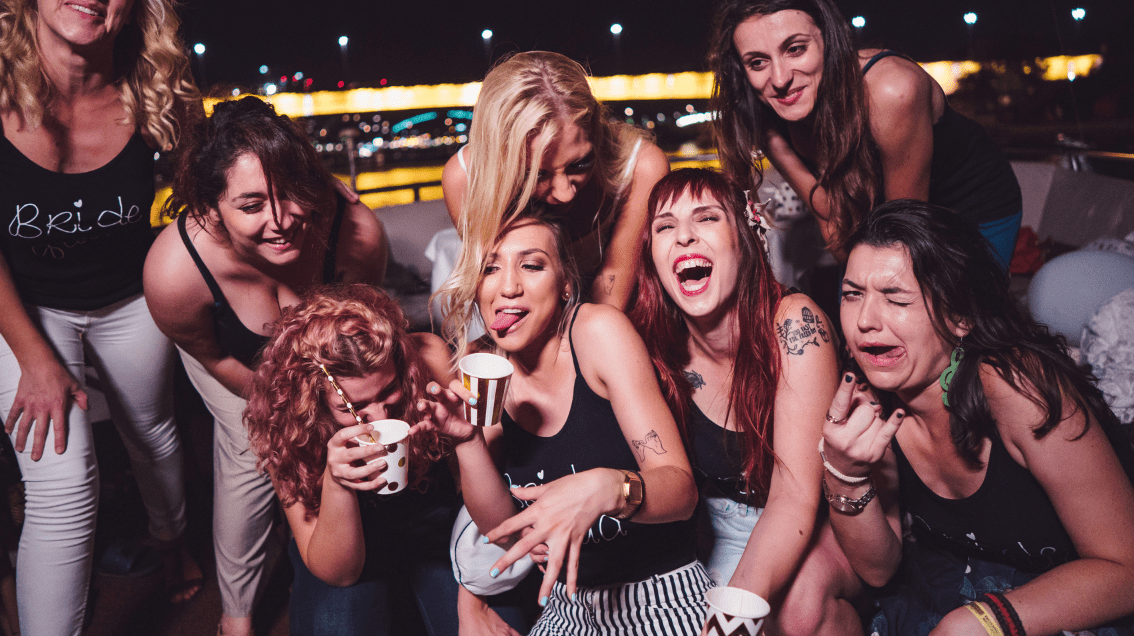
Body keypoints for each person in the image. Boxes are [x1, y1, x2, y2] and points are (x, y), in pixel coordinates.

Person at [0, 0, 202, 634]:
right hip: (12, 300)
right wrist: (36, 356)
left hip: (125, 297)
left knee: (155, 438)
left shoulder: (157, 93)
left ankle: (172, 544)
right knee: (63, 484)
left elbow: (202, 209)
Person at [822, 200, 1134, 636]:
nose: (864, 322)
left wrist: (981, 623)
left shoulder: (1018, 386)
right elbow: (878, 570)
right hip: (957, 585)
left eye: (895, 298)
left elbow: (1125, 569)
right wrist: (843, 473)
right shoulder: (869, 398)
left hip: (1078, 592)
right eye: (853, 295)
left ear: (960, 315)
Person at [143, 96, 387, 636]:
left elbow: (364, 348)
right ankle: (237, 616)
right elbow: (211, 355)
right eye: (251, 205)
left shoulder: (356, 234)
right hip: (234, 361)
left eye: (291, 196)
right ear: (210, 207)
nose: (279, 223)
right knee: (249, 454)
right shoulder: (174, 273)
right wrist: (285, 413)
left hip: (324, 364)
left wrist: (332, 409)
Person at [428, 209, 708, 635]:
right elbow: (504, 532)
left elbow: (682, 492)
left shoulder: (598, 334)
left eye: (532, 265)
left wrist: (607, 487)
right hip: (566, 605)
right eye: (490, 269)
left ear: (565, 287)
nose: (508, 287)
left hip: (661, 591)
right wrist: (467, 442)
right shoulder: (482, 368)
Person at [630, 168, 860, 634]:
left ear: (745, 238)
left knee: (794, 612)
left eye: (707, 218)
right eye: (665, 226)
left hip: (819, 519)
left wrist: (724, 622)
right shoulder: (651, 343)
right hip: (714, 524)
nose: (685, 238)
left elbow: (795, 498)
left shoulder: (795, 326)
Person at [710, 0, 1022, 267]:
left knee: (953, 314)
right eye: (757, 62)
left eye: (796, 49)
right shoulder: (769, 111)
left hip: (972, 209)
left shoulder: (892, 91)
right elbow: (829, 216)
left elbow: (907, 233)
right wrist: (852, 288)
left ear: (829, 40)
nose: (779, 79)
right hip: (876, 213)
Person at [245, 284, 460, 636]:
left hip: (433, 524)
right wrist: (337, 484)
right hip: (339, 541)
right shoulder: (286, 426)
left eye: (389, 389)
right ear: (311, 399)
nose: (378, 415)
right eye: (353, 407)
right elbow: (340, 573)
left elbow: (474, 478)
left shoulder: (430, 359)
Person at [440, 51, 668, 314]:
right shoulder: (465, 178)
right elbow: (504, 303)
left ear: (595, 132)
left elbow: (611, 298)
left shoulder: (642, 166)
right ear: (499, 158)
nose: (565, 194)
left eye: (580, 164)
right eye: (536, 175)